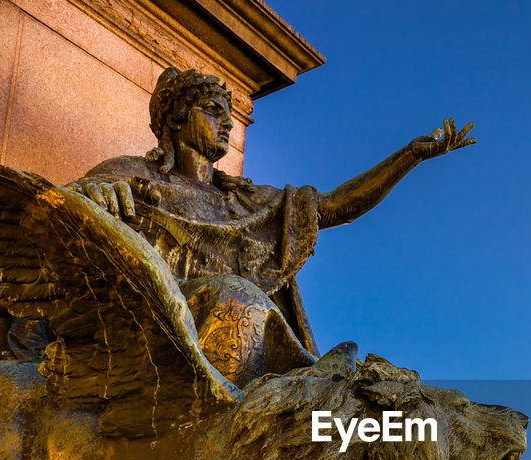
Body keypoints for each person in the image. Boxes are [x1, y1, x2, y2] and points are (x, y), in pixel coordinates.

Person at [66, 67, 474, 385]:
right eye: (212, 111)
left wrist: (409, 156)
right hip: (163, 340)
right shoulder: (131, 175)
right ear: (176, 115)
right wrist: (91, 199)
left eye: (230, 115)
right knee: (238, 295)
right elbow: (60, 204)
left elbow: (335, 207)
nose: (226, 123)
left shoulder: (249, 199)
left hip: (242, 344)